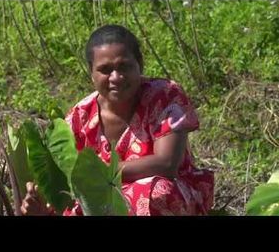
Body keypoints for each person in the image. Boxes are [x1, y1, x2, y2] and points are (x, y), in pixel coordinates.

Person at [21, 24, 214, 216]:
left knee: (157, 192)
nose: (116, 77)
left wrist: (100, 173)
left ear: (140, 64)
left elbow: (167, 163)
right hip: (100, 203)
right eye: (105, 70)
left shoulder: (164, 96)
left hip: (164, 196)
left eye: (124, 66)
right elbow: (69, 184)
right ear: (92, 73)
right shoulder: (80, 116)